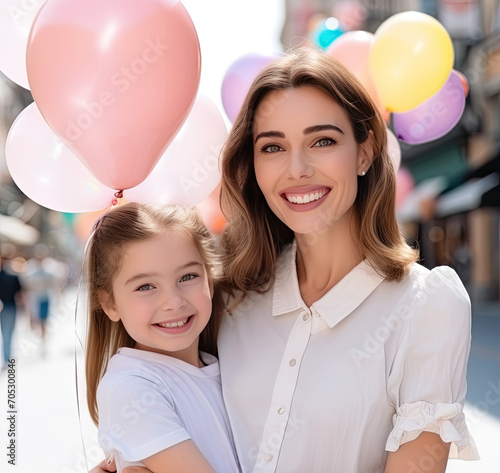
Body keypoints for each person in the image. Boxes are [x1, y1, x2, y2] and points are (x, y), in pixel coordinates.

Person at [92, 48, 478, 473]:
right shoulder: (228, 296)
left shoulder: (425, 307)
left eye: (323, 141)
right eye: (273, 147)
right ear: (253, 164)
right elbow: (171, 404)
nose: (297, 169)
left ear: (365, 152)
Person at [84, 203, 240, 473]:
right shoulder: (130, 388)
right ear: (109, 303)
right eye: (146, 286)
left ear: (209, 281)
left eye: (188, 276)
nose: (173, 301)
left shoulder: (224, 361)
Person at [0, 256, 23, 369]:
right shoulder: (14, 277)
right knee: (9, 334)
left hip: (4, 308)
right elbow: (20, 295)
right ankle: (8, 358)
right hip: (11, 307)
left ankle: (7, 358)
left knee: (5, 334)